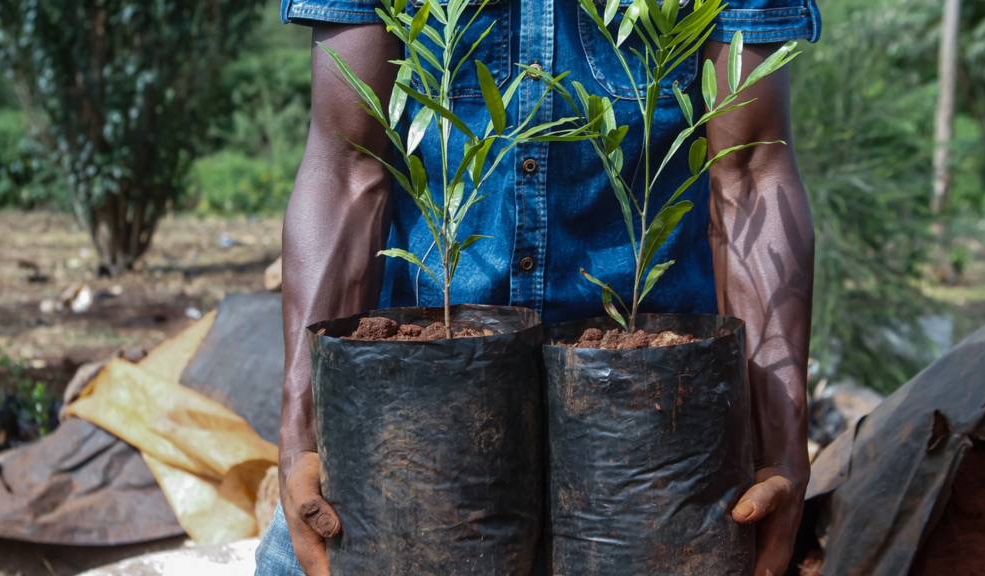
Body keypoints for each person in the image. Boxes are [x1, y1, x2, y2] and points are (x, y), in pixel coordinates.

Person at [256, 1, 821, 574]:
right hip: (415, 406)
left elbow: (749, 171)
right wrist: (303, 436)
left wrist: (781, 448)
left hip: (652, 418)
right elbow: (348, 165)